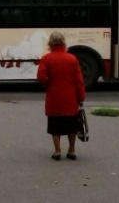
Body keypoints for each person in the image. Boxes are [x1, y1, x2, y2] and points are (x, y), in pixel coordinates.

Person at [36, 32, 86, 161]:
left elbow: (41, 77)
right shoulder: (72, 59)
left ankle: (57, 151)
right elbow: (79, 81)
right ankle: (72, 150)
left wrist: (47, 85)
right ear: (63, 42)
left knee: (55, 124)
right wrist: (81, 97)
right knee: (72, 125)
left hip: (54, 97)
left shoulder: (46, 59)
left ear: (50, 43)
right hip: (70, 98)